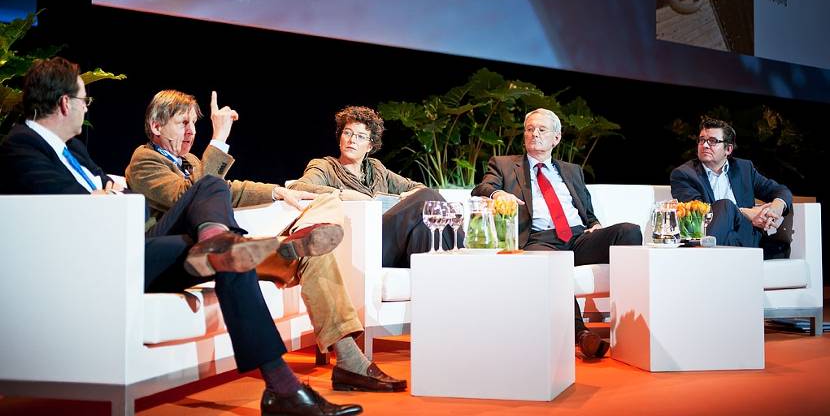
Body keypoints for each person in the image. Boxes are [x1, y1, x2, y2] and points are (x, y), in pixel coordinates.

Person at [0, 57, 362, 416]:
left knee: (225, 251)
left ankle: (282, 387)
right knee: (212, 202)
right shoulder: (23, 146)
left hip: (132, 248)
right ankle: (235, 250)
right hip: (103, 260)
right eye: (84, 101)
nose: (85, 109)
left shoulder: (73, 149)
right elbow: (76, 208)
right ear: (65, 103)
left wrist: (276, 193)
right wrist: (107, 193)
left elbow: (122, 191)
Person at [126, 90, 406, 392]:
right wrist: (218, 139)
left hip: (208, 252)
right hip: (170, 255)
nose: (192, 132)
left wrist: (279, 192)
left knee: (314, 249)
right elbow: (194, 193)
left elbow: (228, 188)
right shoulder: (145, 160)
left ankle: (351, 362)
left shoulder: (191, 160)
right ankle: (248, 246)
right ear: (156, 126)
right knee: (212, 185)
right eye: (184, 123)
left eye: (195, 124)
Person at [471, 108, 642, 359]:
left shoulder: (572, 170)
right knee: (553, 264)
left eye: (541, 130)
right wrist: (498, 194)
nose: (534, 134)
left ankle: (632, 325)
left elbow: (587, 211)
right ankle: (582, 335)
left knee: (629, 232)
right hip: (539, 240)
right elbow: (481, 188)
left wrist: (595, 225)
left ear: (556, 138)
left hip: (577, 237)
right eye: (529, 129)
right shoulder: (505, 165)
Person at [288, 105, 451, 268]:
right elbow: (298, 188)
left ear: (370, 146)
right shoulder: (325, 166)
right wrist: (342, 194)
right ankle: (461, 254)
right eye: (347, 133)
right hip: (358, 243)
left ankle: (433, 284)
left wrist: (406, 197)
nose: (352, 140)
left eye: (360, 136)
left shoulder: (376, 169)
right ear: (340, 137)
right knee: (427, 196)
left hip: (388, 244)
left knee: (421, 229)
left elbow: (417, 187)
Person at [670, 117, 793, 259]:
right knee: (725, 206)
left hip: (746, 236)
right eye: (702, 140)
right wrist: (746, 212)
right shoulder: (684, 174)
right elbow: (698, 213)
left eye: (713, 141)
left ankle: (702, 262)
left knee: (727, 209)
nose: (705, 145)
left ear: (728, 149)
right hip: (709, 235)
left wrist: (776, 207)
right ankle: (708, 261)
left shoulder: (744, 169)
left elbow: (781, 191)